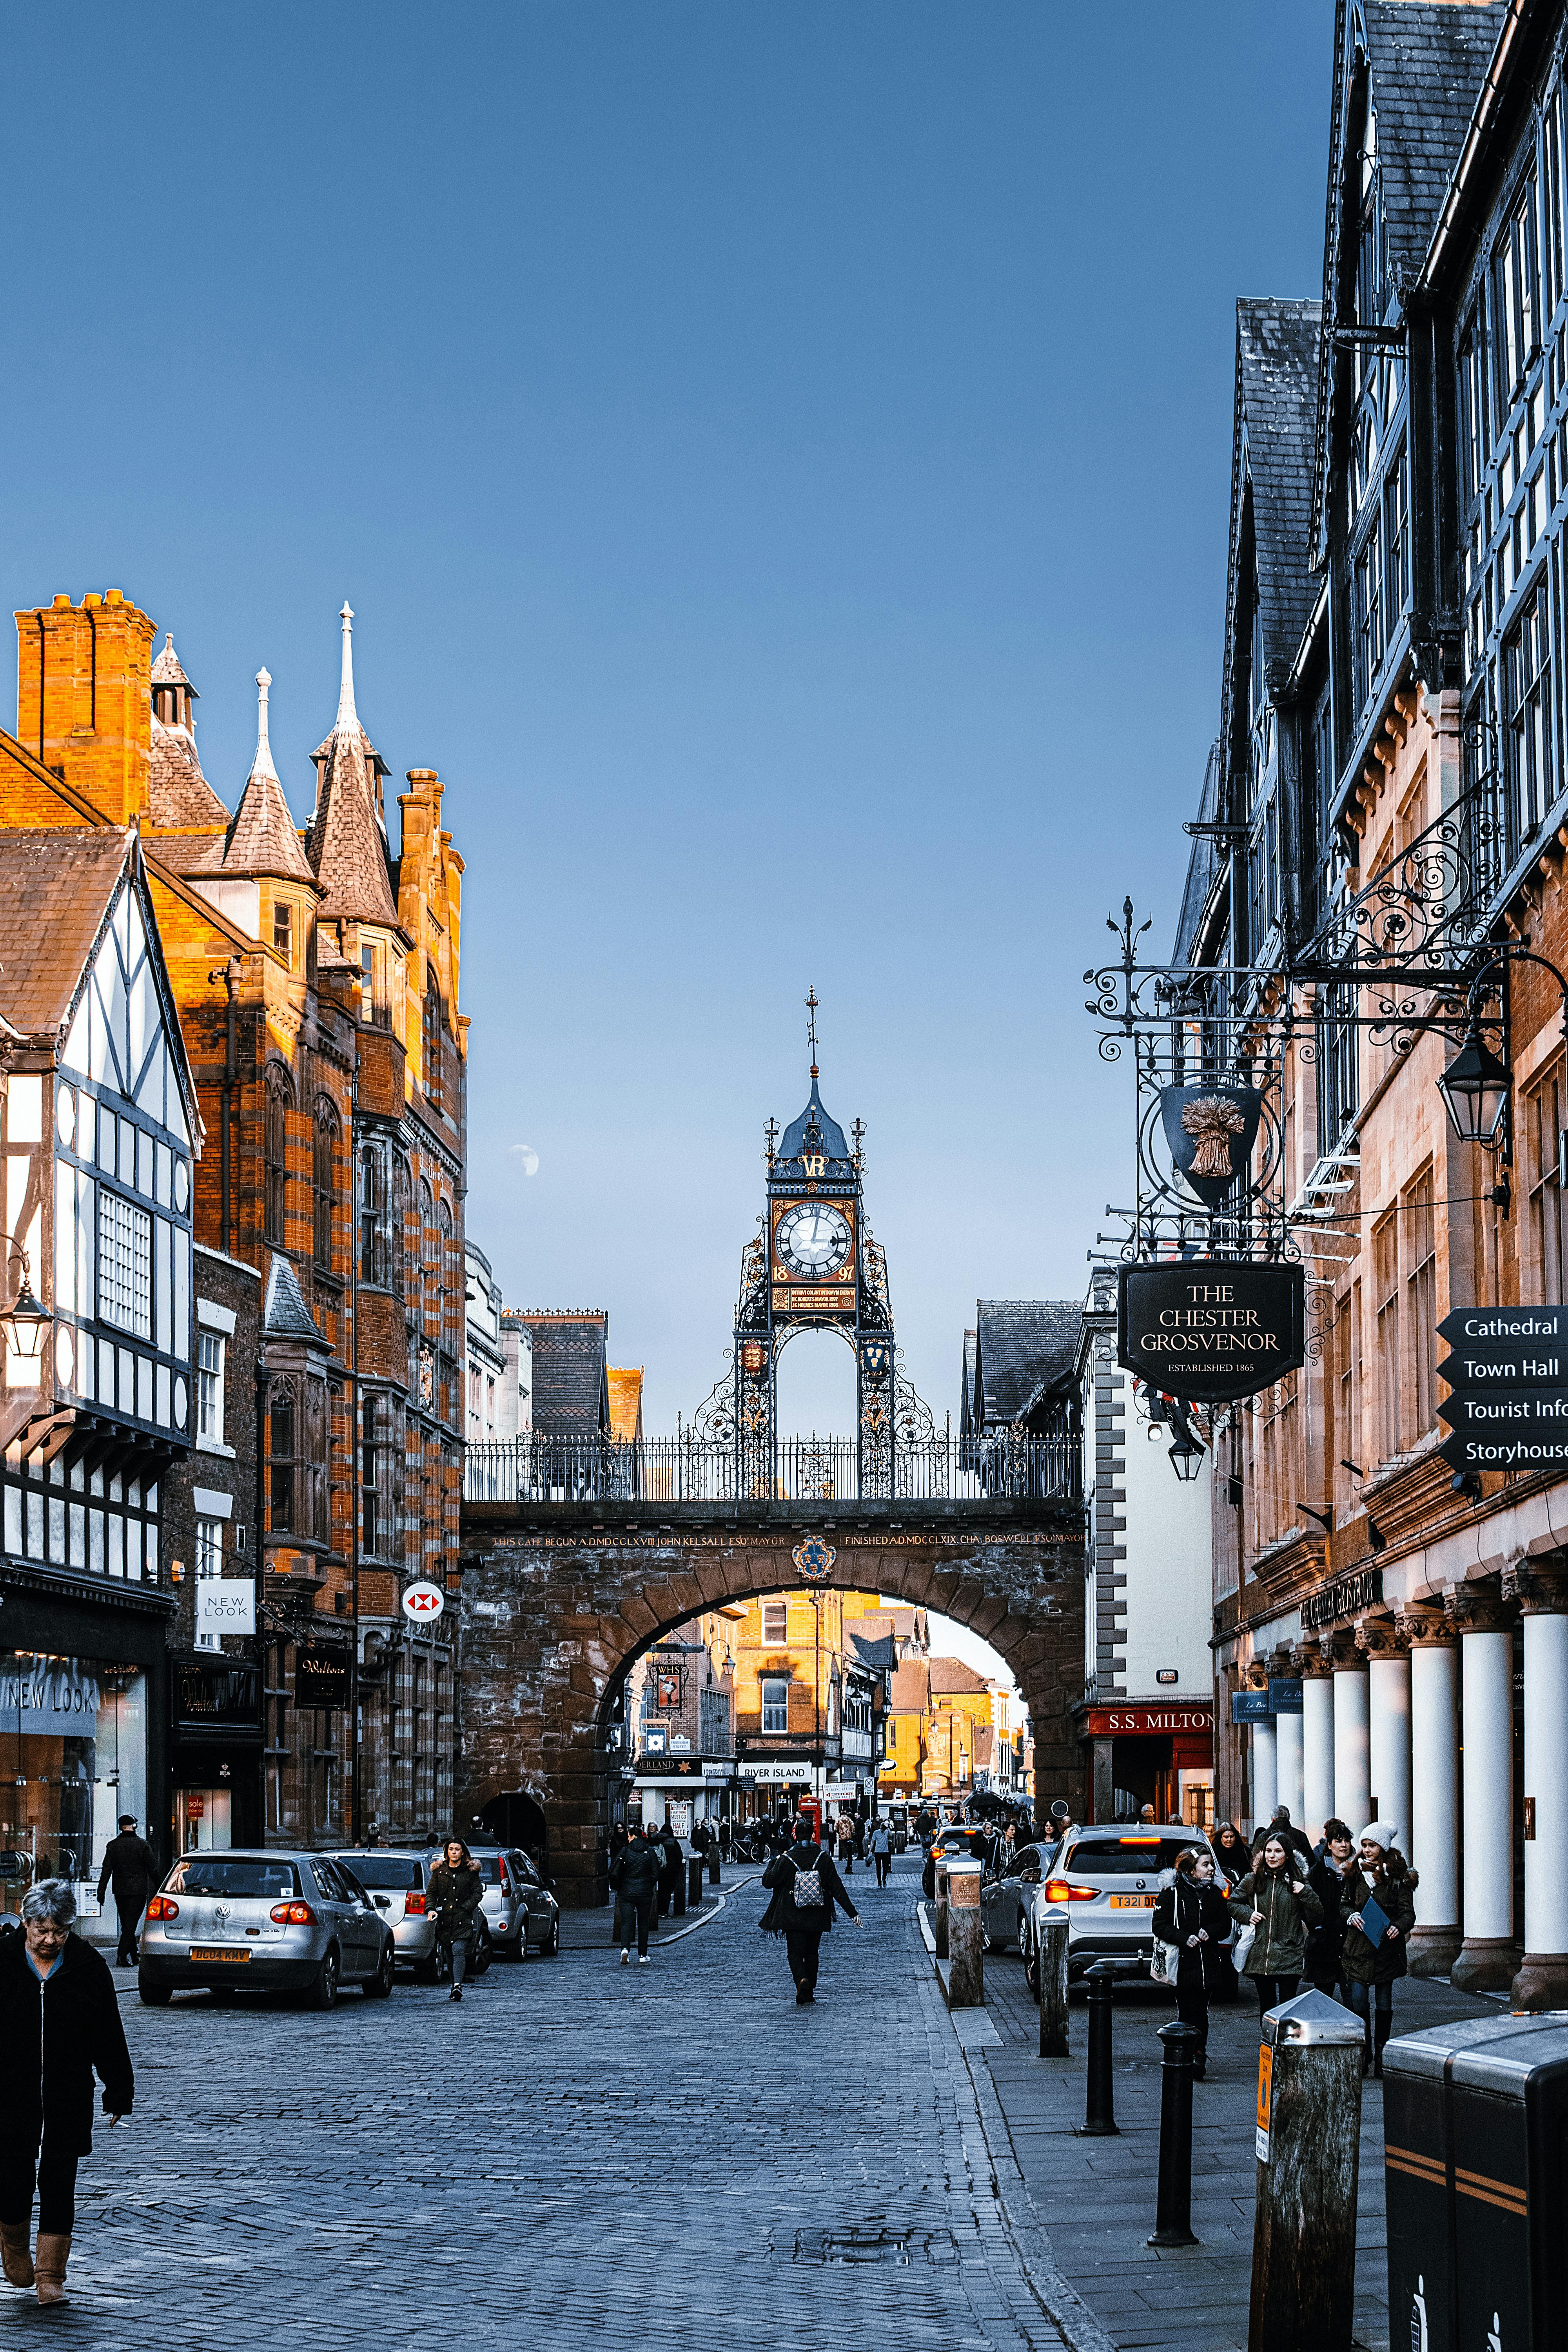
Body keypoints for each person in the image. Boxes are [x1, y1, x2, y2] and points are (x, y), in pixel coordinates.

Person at [0, 1880, 132, 2307]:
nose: (50, 1940)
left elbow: (108, 2033)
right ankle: (13, 2243)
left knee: (60, 2181)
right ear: (26, 1924)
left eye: (60, 1931)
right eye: (42, 1931)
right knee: (12, 2179)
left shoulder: (88, 1966)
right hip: (10, 2092)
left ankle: (51, 2275)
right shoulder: (3, 1961)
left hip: (68, 2093)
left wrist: (118, 2091)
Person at [1340, 1823, 1417, 2076]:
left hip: (1386, 1950)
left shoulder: (1397, 1878)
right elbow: (1344, 1905)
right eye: (1364, 1845)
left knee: (1384, 2002)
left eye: (1372, 1845)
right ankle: (1364, 2053)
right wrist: (1351, 1915)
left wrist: (1398, 1927)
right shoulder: (1353, 1874)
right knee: (1358, 2000)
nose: (1367, 1850)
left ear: (1382, 1847)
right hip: (1358, 1949)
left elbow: (1408, 1914)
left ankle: (1382, 2054)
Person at [759, 1815, 861, 2003]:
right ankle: (810, 1990)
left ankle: (801, 1980)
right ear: (813, 1835)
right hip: (817, 1913)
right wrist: (852, 1912)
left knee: (795, 1952)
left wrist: (772, 1863)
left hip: (792, 1914)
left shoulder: (786, 1859)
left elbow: (768, 1882)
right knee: (813, 1952)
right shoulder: (823, 1858)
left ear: (796, 1836)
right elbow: (837, 1887)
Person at [1152, 1848, 1232, 2080]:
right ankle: (1183, 2052)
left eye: (1211, 1864)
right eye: (1205, 1865)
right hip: (1181, 1962)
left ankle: (1199, 2054)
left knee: (1201, 2010)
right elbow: (1159, 1925)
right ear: (1191, 1870)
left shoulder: (1215, 1894)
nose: (1211, 1869)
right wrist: (1183, 1937)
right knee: (1186, 2009)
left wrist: (1211, 1931)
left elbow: (1225, 1925)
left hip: (1207, 1963)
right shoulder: (1172, 1894)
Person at [1229, 1831, 1323, 2016]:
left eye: (1278, 1851)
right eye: (1269, 1851)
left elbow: (1316, 1916)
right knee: (1267, 2009)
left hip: (1289, 1953)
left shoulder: (1298, 1881)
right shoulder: (1253, 1879)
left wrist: (1305, 1892)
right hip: (1260, 1953)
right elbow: (1233, 1903)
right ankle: (1267, 2037)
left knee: (1287, 2009)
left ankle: (1285, 2037)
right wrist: (1248, 1914)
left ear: (1287, 1855)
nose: (1272, 1856)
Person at [426, 1837, 484, 2001]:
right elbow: (432, 1893)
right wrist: (431, 1909)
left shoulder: (470, 1872)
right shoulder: (440, 1871)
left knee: (459, 1950)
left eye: (457, 1850)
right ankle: (454, 1986)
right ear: (447, 1852)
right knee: (449, 1954)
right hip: (445, 1920)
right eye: (451, 1849)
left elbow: (477, 1893)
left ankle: (458, 1985)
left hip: (462, 1919)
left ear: (463, 1852)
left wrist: (466, 1907)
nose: (454, 1853)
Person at [95, 1815, 156, 1969]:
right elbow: (153, 1869)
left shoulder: (113, 1845)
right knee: (131, 1924)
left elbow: (106, 1870)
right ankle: (122, 1956)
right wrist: (160, 1887)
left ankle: (134, 1955)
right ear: (134, 1825)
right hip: (138, 1890)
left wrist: (101, 1890)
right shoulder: (142, 1845)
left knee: (127, 1924)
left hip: (120, 1890)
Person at [1303, 1820, 1356, 1996]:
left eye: (1347, 1841)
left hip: (1351, 1942)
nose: (1344, 1845)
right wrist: (1316, 1927)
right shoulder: (1318, 1872)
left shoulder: (1358, 1871)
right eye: (1338, 1841)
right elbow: (1308, 1904)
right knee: (1324, 1997)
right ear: (1330, 1845)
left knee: (1353, 1999)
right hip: (1324, 1944)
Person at [608, 1825, 660, 1965]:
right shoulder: (650, 1852)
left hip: (626, 1892)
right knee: (643, 1924)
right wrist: (647, 1884)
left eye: (629, 1836)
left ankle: (625, 1949)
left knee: (627, 1922)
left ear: (632, 1837)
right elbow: (656, 1873)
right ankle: (643, 1955)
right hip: (644, 1892)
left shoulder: (625, 1851)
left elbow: (615, 1869)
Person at [870, 1822, 892, 1888]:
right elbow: (873, 1842)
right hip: (878, 1852)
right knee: (879, 1868)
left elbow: (891, 1835)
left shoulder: (886, 1832)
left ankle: (883, 1879)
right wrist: (870, 1851)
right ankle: (880, 1883)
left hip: (885, 1852)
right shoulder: (876, 1832)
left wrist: (887, 1827)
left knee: (885, 1868)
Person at [835, 1813, 856, 1877]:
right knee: (849, 1847)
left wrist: (838, 1831)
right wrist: (852, 1832)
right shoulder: (849, 1819)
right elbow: (853, 1826)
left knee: (843, 1847)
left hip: (842, 1836)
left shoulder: (839, 1820)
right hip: (848, 1836)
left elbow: (835, 1827)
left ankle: (844, 1856)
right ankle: (849, 1857)